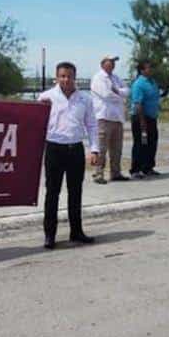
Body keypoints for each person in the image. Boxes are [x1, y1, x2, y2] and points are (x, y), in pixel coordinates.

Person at [38, 62, 99, 248]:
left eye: (69, 76)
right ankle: (50, 235)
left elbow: (92, 125)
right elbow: (33, 124)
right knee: (52, 193)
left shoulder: (84, 99)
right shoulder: (46, 97)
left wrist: (95, 149)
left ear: (75, 77)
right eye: (62, 76)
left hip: (75, 149)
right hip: (54, 148)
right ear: (56, 77)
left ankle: (77, 231)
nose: (66, 79)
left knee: (75, 192)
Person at [89, 54, 129, 184]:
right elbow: (106, 95)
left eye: (113, 62)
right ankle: (98, 173)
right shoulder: (98, 78)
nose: (112, 64)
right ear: (102, 64)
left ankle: (115, 173)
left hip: (117, 117)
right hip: (104, 117)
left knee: (117, 148)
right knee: (102, 148)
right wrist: (120, 96)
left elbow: (127, 91)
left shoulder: (116, 78)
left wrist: (117, 91)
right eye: (109, 62)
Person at [129, 59, 162, 178]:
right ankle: (135, 170)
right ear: (142, 70)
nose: (150, 69)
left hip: (152, 118)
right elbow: (138, 104)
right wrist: (142, 122)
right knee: (140, 144)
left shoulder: (152, 82)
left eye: (151, 67)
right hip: (141, 118)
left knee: (152, 143)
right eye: (148, 68)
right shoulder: (138, 84)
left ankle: (148, 168)